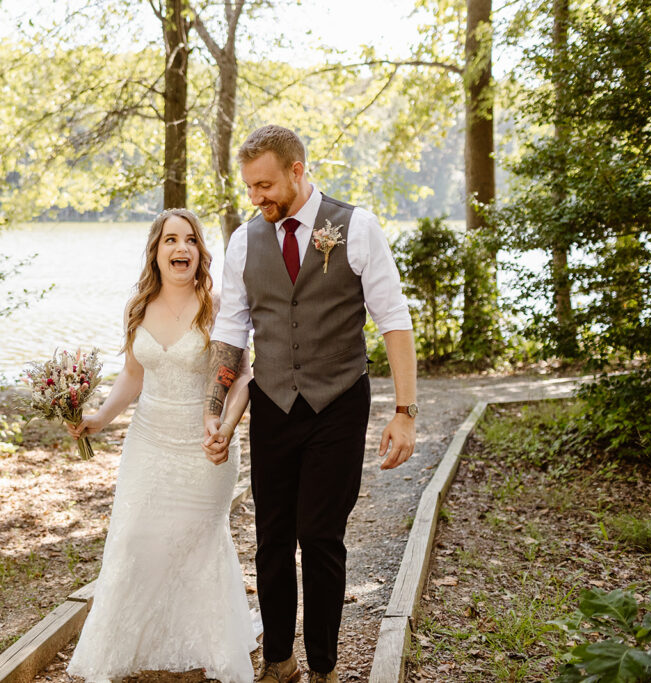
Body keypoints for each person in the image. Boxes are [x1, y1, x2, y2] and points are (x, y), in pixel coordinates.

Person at [203, 125, 418, 683]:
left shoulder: (357, 226)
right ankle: (280, 659)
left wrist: (405, 411)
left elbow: (393, 320)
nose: (257, 197)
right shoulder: (243, 241)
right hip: (273, 405)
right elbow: (231, 329)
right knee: (272, 536)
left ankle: (323, 665)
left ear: (298, 171)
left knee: (321, 535)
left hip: (339, 403)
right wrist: (216, 403)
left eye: (266, 185)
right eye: (250, 187)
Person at [65, 208, 258, 683]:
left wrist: (227, 427)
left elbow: (241, 376)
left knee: (196, 542)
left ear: (200, 251)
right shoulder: (139, 306)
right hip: (147, 441)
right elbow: (133, 375)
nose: (181, 249)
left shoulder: (218, 305)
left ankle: (207, 645)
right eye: (171, 240)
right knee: (133, 540)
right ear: (156, 250)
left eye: (190, 240)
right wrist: (99, 418)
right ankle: (135, 647)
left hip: (204, 445)